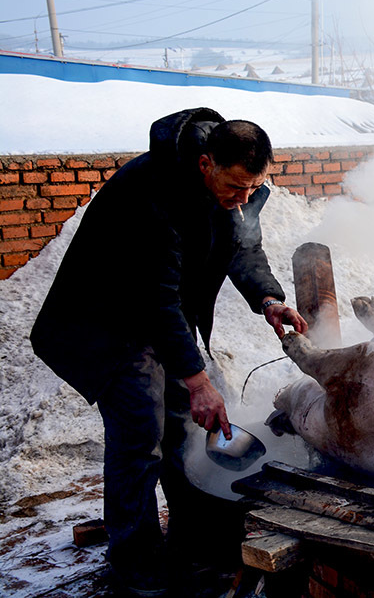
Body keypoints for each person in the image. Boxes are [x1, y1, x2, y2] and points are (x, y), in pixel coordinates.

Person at [30, 108, 308, 597]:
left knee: (184, 422)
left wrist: (268, 297)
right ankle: (135, 563)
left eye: (253, 189)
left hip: (159, 313)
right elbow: (155, 299)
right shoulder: (155, 193)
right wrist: (195, 380)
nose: (244, 201)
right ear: (205, 164)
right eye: (236, 188)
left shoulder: (235, 189)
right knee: (140, 435)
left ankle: (191, 537)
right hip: (107, 321)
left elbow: (242, 246)